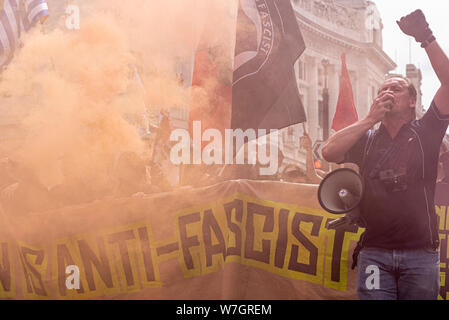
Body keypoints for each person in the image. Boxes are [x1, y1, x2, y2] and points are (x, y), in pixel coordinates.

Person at [321, 9, 449, 300]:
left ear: (413, 102)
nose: (388, 91)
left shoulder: (426, 131)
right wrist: (368, 120)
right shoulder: (366, 138)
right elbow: (329, 151)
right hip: (375, 253)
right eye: (382, 89)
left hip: (421, 254)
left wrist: (425, 37)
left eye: (397, 88)